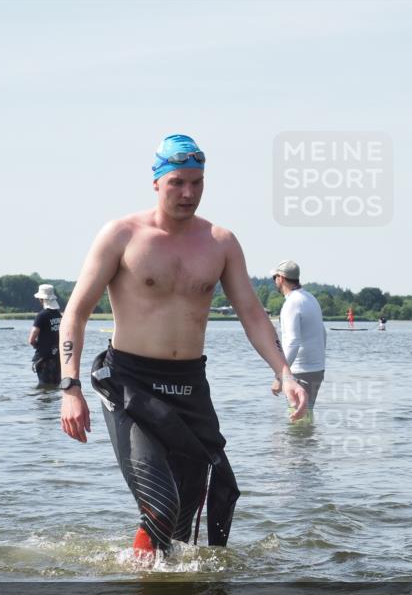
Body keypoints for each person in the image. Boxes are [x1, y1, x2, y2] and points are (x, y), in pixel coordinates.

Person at [58, 133, 307, 562]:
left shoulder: (220, 243)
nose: (188, 193)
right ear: (156, 182)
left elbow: (251, 313)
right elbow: (76, 312)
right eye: (177, 182)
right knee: (160, 503)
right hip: (129, 385)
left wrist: (284, 373)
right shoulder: (121, 235)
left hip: (190, 387)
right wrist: (70, 387)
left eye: (197, 182)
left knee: (185, 523)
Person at [270, 260, 326, 416]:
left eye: (274, 277)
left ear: (280, 278)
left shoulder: (292, 303)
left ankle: (299, 441)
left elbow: (293, 341)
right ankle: (308, 441)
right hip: (316, 369)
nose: (274, 281)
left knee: (298, 420)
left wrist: (281, 376)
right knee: (306, 416)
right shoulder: (310, 298)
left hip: (301, 370)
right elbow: (323, 333)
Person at [30, 284, 62, 385]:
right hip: (57, 358)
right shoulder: (58, 315)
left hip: (43, 359)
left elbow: (31, 339)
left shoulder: (41, 315)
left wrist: (38, 346)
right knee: (56, 386)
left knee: (44, 389)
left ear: (41, 299)